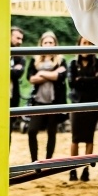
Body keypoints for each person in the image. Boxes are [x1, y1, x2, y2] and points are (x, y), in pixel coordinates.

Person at [26, 31, 68, 162]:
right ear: (41, 44)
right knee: (32, 131)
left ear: (55, 44)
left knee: (51, 133)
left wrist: (41, 74)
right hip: (38, 102)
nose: (48, 44)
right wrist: (52, 73)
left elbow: (60, 77)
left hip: (54, 102)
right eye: (46, 42)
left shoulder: (61, 61)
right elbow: (31, 79)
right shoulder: (35, 61)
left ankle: (48, 161)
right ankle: (34, 161)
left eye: (51, 42)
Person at [67, 36, 98, 181]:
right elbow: (71, 83)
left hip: (93, 104)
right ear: (79, 44)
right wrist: (89, 79)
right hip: (77, 104)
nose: (87, 46)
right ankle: (72, 169)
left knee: (89, 138)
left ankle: (85, 169)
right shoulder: (72, 63)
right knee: (75, 138)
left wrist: (80, 79)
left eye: (90, 43)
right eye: (84, 43)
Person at [9, 26, 25, 143]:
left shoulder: (20, 56)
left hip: (12, 97)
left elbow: (17, 74)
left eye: (21, 39)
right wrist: (12, 69)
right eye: (17, 38)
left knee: (8, 129)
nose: (20, 42)